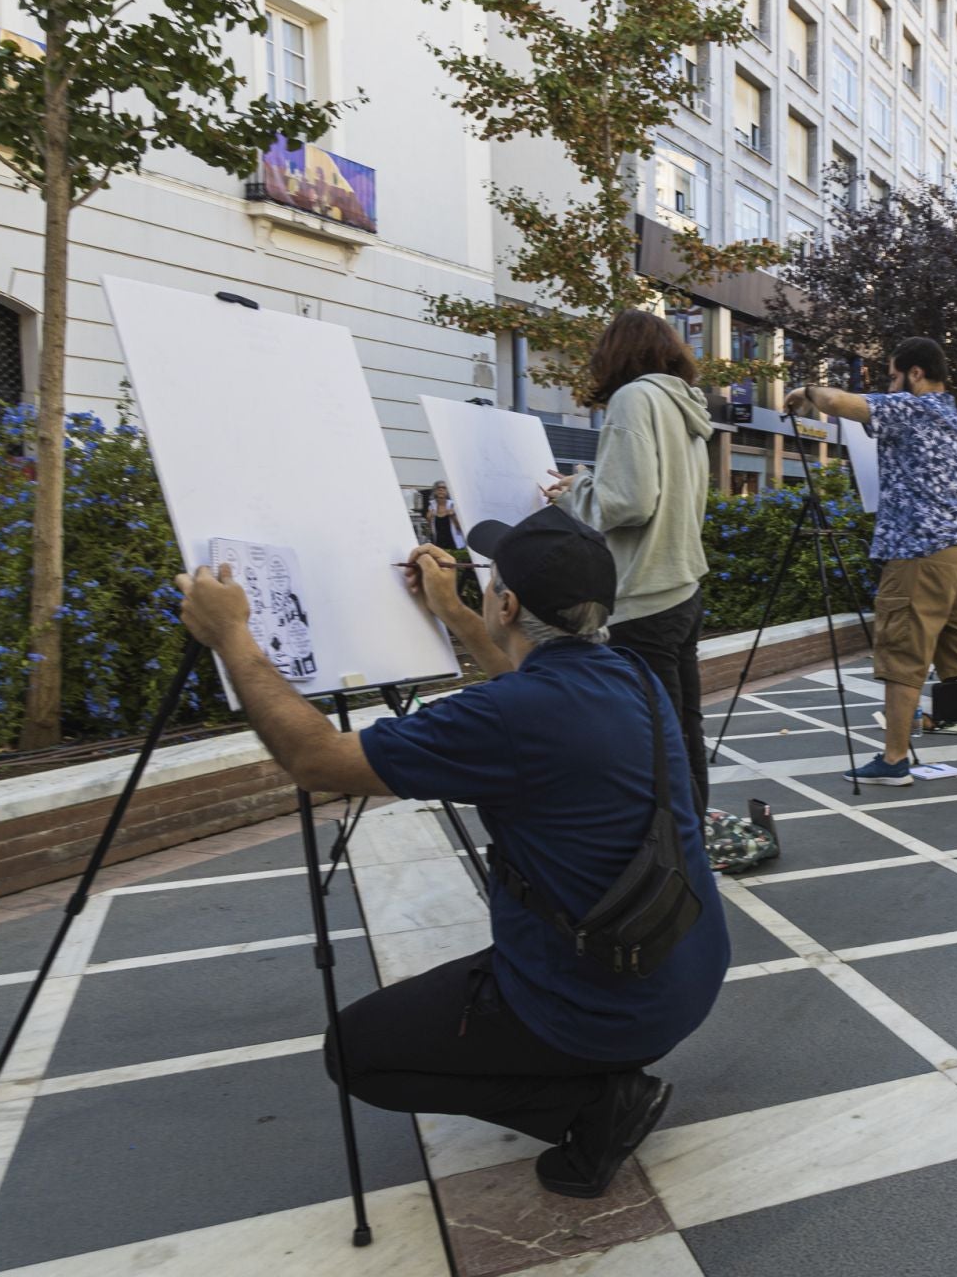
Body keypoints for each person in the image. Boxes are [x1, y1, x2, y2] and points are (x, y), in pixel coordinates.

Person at [173, 506, 730, 1200]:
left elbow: (314, 759)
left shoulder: (508, 717)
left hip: (604, 1005)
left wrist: (234, 637)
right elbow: (523, 678)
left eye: (488, 582)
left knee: (356, 1051)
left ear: (510, 602)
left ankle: (595, 1106)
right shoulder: (631, 676)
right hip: (682, 965)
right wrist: (455, 614)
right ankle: (592, 1072)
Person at [786, 337, 957, 782]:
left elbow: (839, 402)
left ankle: (893, 759)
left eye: (893, 375)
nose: (891, 385)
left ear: (915, 374)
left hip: (918, 553)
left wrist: (806, 392)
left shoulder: (910, 408)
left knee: (903, 654)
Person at [549, 310, 715, 812]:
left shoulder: (633, 399)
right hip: (683, 586)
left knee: (655, 739)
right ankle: (692, 839)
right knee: (683, 725)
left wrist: (573, 489)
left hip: (643, 595)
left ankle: (674, 853)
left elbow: (629, 502)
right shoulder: (685, 406)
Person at [427, 481, 459, 550]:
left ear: (448, 491)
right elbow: (430, 530)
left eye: (444, 488)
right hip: (438, 544)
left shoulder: (453, 505)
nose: (441, 490)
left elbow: (460, 528)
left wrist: (453, 516)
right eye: (438, 488)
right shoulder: (431, 506)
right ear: (434, 491)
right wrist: (429, 520)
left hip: (454, 545)